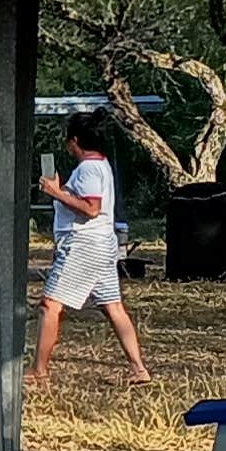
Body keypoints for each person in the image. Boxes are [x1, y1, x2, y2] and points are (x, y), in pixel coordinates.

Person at [30, 110, 153, 386]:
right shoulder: (101, 165)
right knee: (113, 307)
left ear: (75, 141)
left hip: (84, 245)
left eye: (68, 140)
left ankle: (39, 371)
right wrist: (64, 191)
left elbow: (91, 209)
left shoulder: (88, 168)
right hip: (101, 245)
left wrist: (55, 192)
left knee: (49, 305)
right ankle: (138, 369)